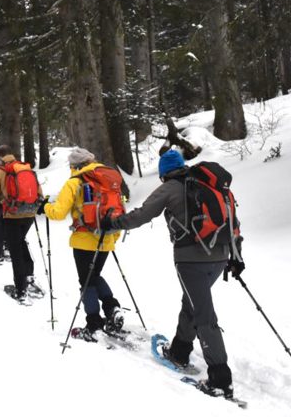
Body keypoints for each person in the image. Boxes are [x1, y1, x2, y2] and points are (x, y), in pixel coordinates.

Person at [101, 149, 239, 398]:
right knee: (194, 303)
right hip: (220, 256)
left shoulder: (171, 187)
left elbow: (142, 215)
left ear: (164, 173)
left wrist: (113, 222)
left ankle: (220, 378)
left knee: (204, 314)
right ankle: (180, 350)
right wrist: (236, 256)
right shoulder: (210, 185)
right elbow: (233, 220)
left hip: (190, 260)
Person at [40, 147, 125, 341]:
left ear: (74, 165)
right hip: (107, 236)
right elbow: (119, 207)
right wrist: (114, 237)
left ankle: (93, 324)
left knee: (86, 281)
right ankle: (112, 308)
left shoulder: (75, 182)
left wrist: (44, 207)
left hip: (84, 239)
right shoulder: (109, 178)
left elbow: (58, 212)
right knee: (94, 275)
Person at [0, 145, 44, 304]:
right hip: (29, 213)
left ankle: (21, 289)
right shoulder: (27, 169)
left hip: (12, 215)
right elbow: (40, 194)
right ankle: (29, 276)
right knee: (21, 242)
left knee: (15, 249)